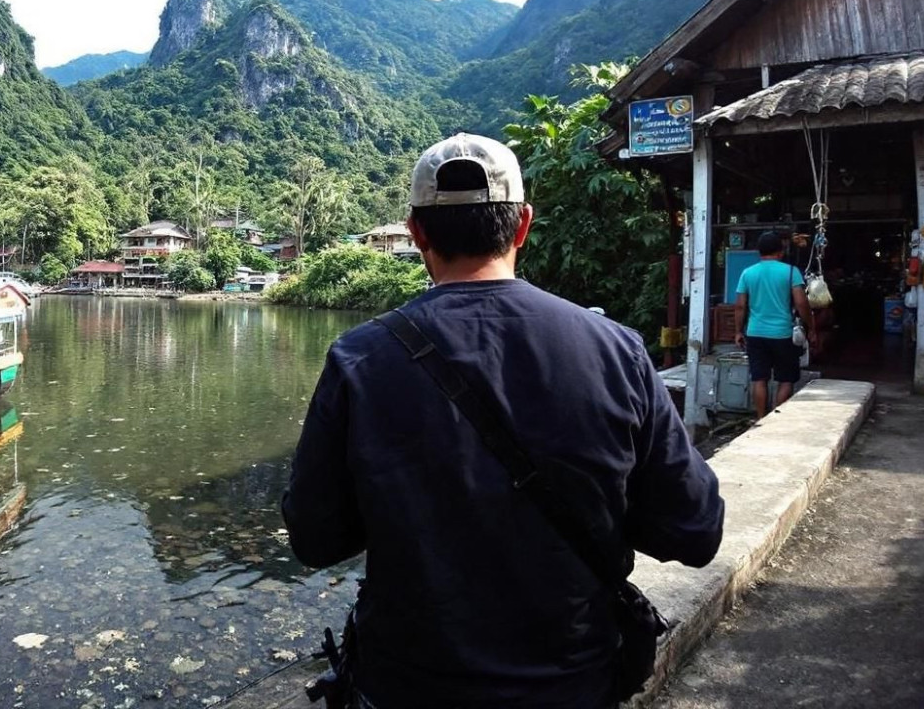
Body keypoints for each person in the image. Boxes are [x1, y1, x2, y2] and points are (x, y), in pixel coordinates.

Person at [282, 133, 725, 708]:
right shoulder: (616, 350)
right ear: (523, 225)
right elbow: (694, 530)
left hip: (406, 685)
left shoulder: (360, 358)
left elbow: (315, 539)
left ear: (416, 233)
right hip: (572, 684)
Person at [734, 231, 815, 419]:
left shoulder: (748, 273)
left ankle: (761, 419)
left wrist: (738, 331)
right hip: (783, 335)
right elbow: (802, 303)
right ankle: (776, 421)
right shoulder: (790, 272)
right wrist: (811, 328)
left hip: (755, 334)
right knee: (786, 379)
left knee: (759, 379)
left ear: (759, 252)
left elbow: (739, 306)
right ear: (780, 251)